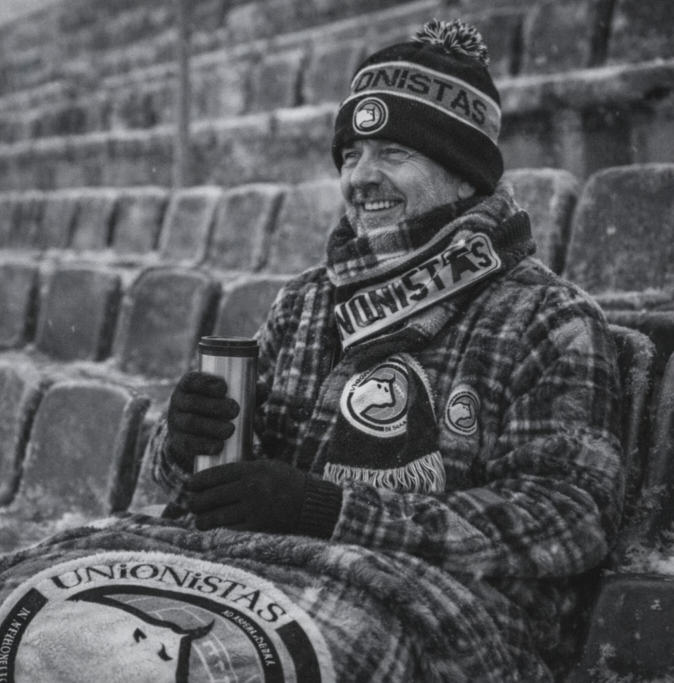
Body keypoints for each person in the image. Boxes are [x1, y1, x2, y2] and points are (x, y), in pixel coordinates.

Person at [151, 18, 623, 680]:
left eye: (394, 153)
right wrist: (185, 442)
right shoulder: (307, 300)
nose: (360, 178)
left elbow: (567, 518)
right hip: (263, 577)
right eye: (350, 156)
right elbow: (219, 488)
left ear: (464, 176)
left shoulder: (549, 318)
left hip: (431, 612)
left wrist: (328, 511)